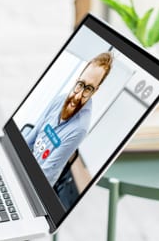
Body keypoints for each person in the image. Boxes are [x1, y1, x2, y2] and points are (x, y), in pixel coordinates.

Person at [23, 52, 113, 186]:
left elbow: (46, 173)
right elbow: (33, 135)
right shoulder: (60, 99)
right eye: (81, 84)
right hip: (28, 165)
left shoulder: (80, 128)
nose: (78, 96)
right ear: (77, 79)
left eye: (88, 89)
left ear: (95, 91)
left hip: (38, 183)